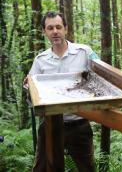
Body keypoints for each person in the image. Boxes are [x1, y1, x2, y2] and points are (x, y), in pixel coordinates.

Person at [25, 11, 98, 171]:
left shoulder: (84, 52)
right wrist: (28, 88)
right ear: (44, 32)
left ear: (66, 28)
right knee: (41, 168)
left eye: (58, 27)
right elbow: (30, 93)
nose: (55, 31)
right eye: (50, 28)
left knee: (87, 168)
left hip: (79, 122)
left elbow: (103, 74)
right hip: (49, 123)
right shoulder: (40, 60)